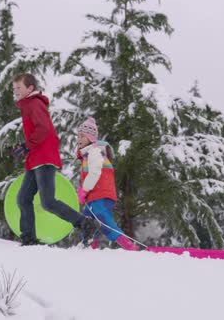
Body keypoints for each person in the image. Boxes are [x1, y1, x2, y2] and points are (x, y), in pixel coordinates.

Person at [11, 73, 99, 246]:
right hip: (36, 159)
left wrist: (26, 146)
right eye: (14, 88)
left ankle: (85, 223)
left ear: (30, 88)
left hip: (44, 158)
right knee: (23, 199)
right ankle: (28, 238)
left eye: (19, 87)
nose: (16, 91)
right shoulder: (28, 104)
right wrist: (25, 146)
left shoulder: (34, 103)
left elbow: (44, 129)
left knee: (48, 202)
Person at [76, 117, 139, 251]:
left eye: (82, 136)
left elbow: (94, 174)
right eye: (78, 136)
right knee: (87, 222)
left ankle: (128, 245)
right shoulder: (86, 155)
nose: (79, 139)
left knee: (103, 219)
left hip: (102, 195)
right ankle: (88, 246)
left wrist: (84, 190)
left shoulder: (95, 152)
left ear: (91, 138)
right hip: (93, 197)